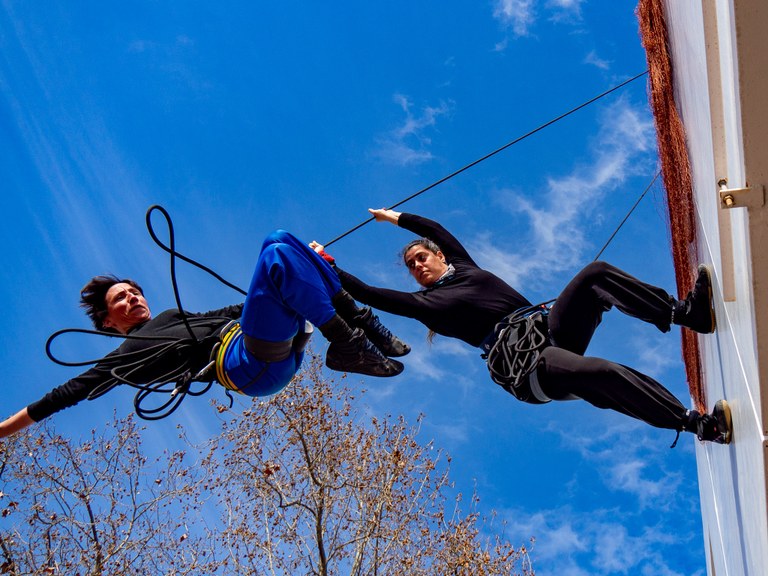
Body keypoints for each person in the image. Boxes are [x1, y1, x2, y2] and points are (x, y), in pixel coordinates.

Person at [313, 208, 732, 445]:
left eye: (422, 257)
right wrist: (325, 263)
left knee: (594, 275)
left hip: (548, 329)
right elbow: (367, 293)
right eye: (411, 266)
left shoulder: (463, 266)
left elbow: (436, 229)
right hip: (525, 365)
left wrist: (395, 218)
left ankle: (687, 315)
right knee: (603, 374)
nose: (418, 266)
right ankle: (696, 424)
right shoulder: (425, 305)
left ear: (439, 256)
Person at [0, 229, 410, 439]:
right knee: (277, 255)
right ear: (109, 321)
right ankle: (346, 343)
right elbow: (63, 396)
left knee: (282, 241)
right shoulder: (125, 356)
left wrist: (305, 265)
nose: (131, 298)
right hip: (244, 365)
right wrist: (3, 431)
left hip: (270, 342)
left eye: (133, 291)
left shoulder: (172, 314)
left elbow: (235, 310)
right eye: (120, 300)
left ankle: (359, 328)